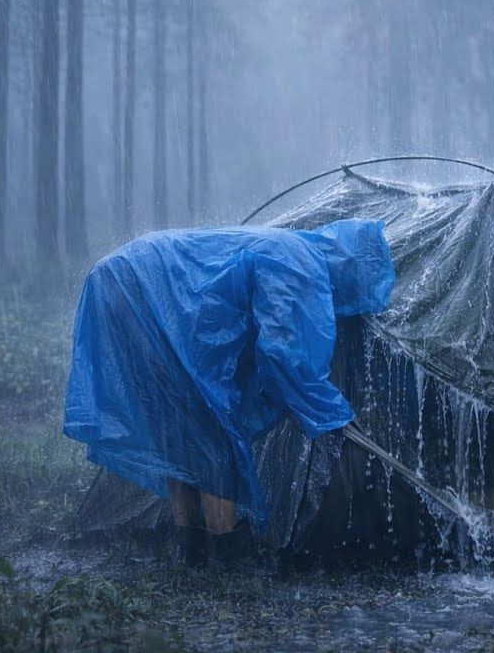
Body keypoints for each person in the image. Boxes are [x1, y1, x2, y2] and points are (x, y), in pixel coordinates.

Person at [64, 219, 395, 568]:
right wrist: (330, 412)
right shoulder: (302, 261)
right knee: (214, 434)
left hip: (120, 278)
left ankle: (191, 550)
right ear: (351, 268)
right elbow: (284, 351)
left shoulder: (288, 245)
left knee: (181, 430)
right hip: (146, 290)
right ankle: (225, 555)